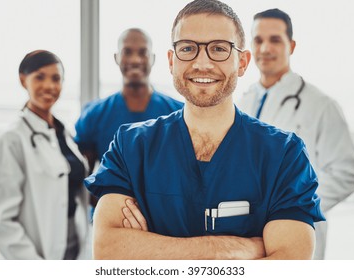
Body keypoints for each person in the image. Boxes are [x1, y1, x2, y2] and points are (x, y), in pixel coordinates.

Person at [86, 0, 325, 260]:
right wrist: (233, 249)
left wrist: (148, 248)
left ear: (243, 62)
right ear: (171, 60)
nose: (202, 63)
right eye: (187, 48)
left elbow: (289, 264)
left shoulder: (284, 155)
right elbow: (107, 250)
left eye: (219, 49)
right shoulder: (130, 147)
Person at [237, 9, 354, 259]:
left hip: (298, 234)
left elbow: (347, 173)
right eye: (258, 40)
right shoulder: (243, 101)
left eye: (275, 40)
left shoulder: (320, 105)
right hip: (248, 236)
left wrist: (293, 205)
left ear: (291, 46)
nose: (264, 49)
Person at [0, 50, 91, 259]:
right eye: (39, 77)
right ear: (23, 80)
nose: (49, 85)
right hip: (38, 257)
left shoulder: (64, 132)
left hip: (75, 247)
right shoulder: (11, 139)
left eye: (56, 78)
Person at [75, 28, 184, 174]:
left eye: (142, 53)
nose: (135, 60)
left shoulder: (179, 113)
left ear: (153, 58)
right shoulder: (94, 114)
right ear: (116, 57)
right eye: (127, 52)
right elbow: (82, 177)